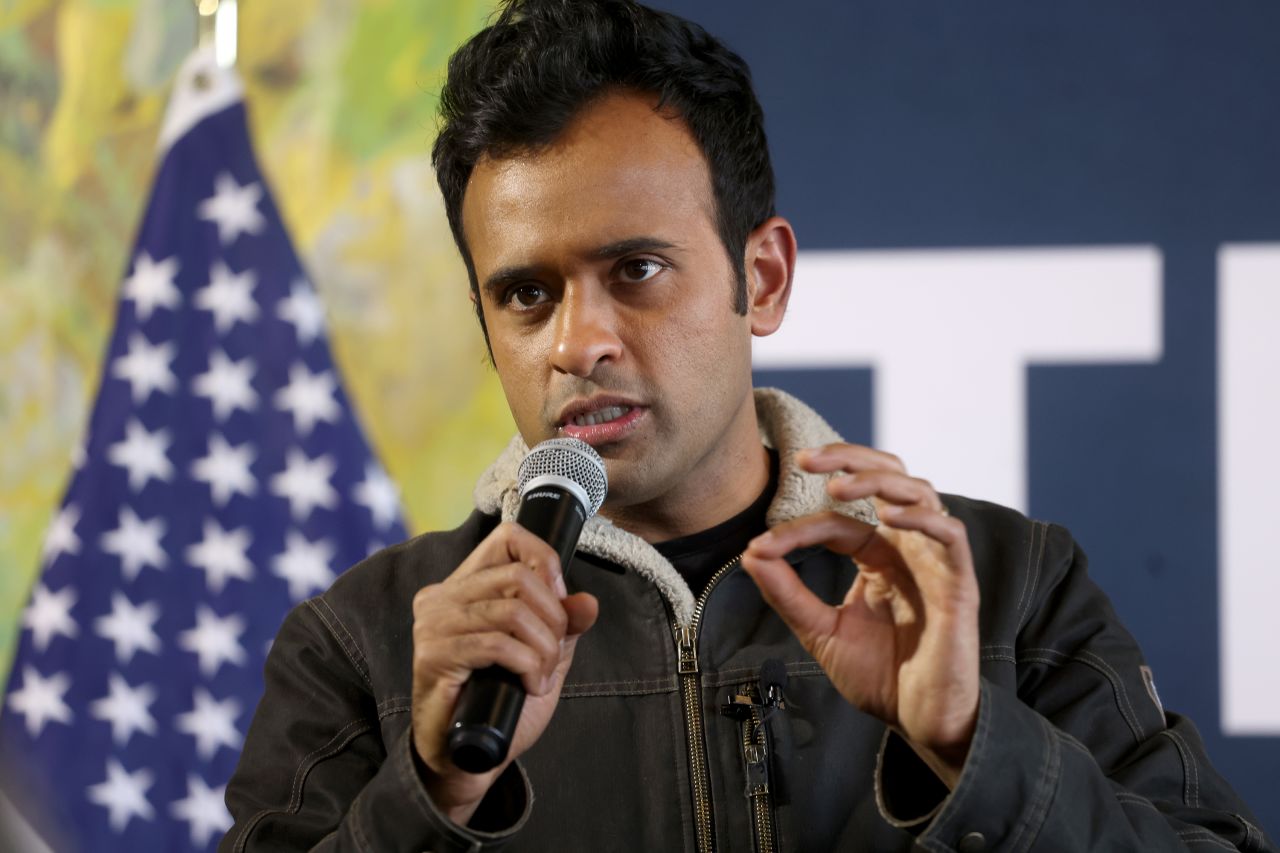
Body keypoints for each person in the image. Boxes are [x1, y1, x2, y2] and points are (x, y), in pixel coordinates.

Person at [221, 1, 1274, 850]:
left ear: (759, 279)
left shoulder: (1006, 584)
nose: (575, 342)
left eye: (634, 270)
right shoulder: (365, 641)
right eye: (526, 295)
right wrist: (434, 793)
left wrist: (969, 742)